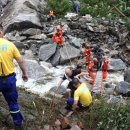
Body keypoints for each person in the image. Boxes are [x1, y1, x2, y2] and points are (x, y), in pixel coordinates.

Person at [0, 25, 28, 130]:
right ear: (1, 32)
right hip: (9, 80)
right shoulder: (10, 45)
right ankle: (18, 124)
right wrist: (24, 74)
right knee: (12, 103)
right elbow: (20, 61)